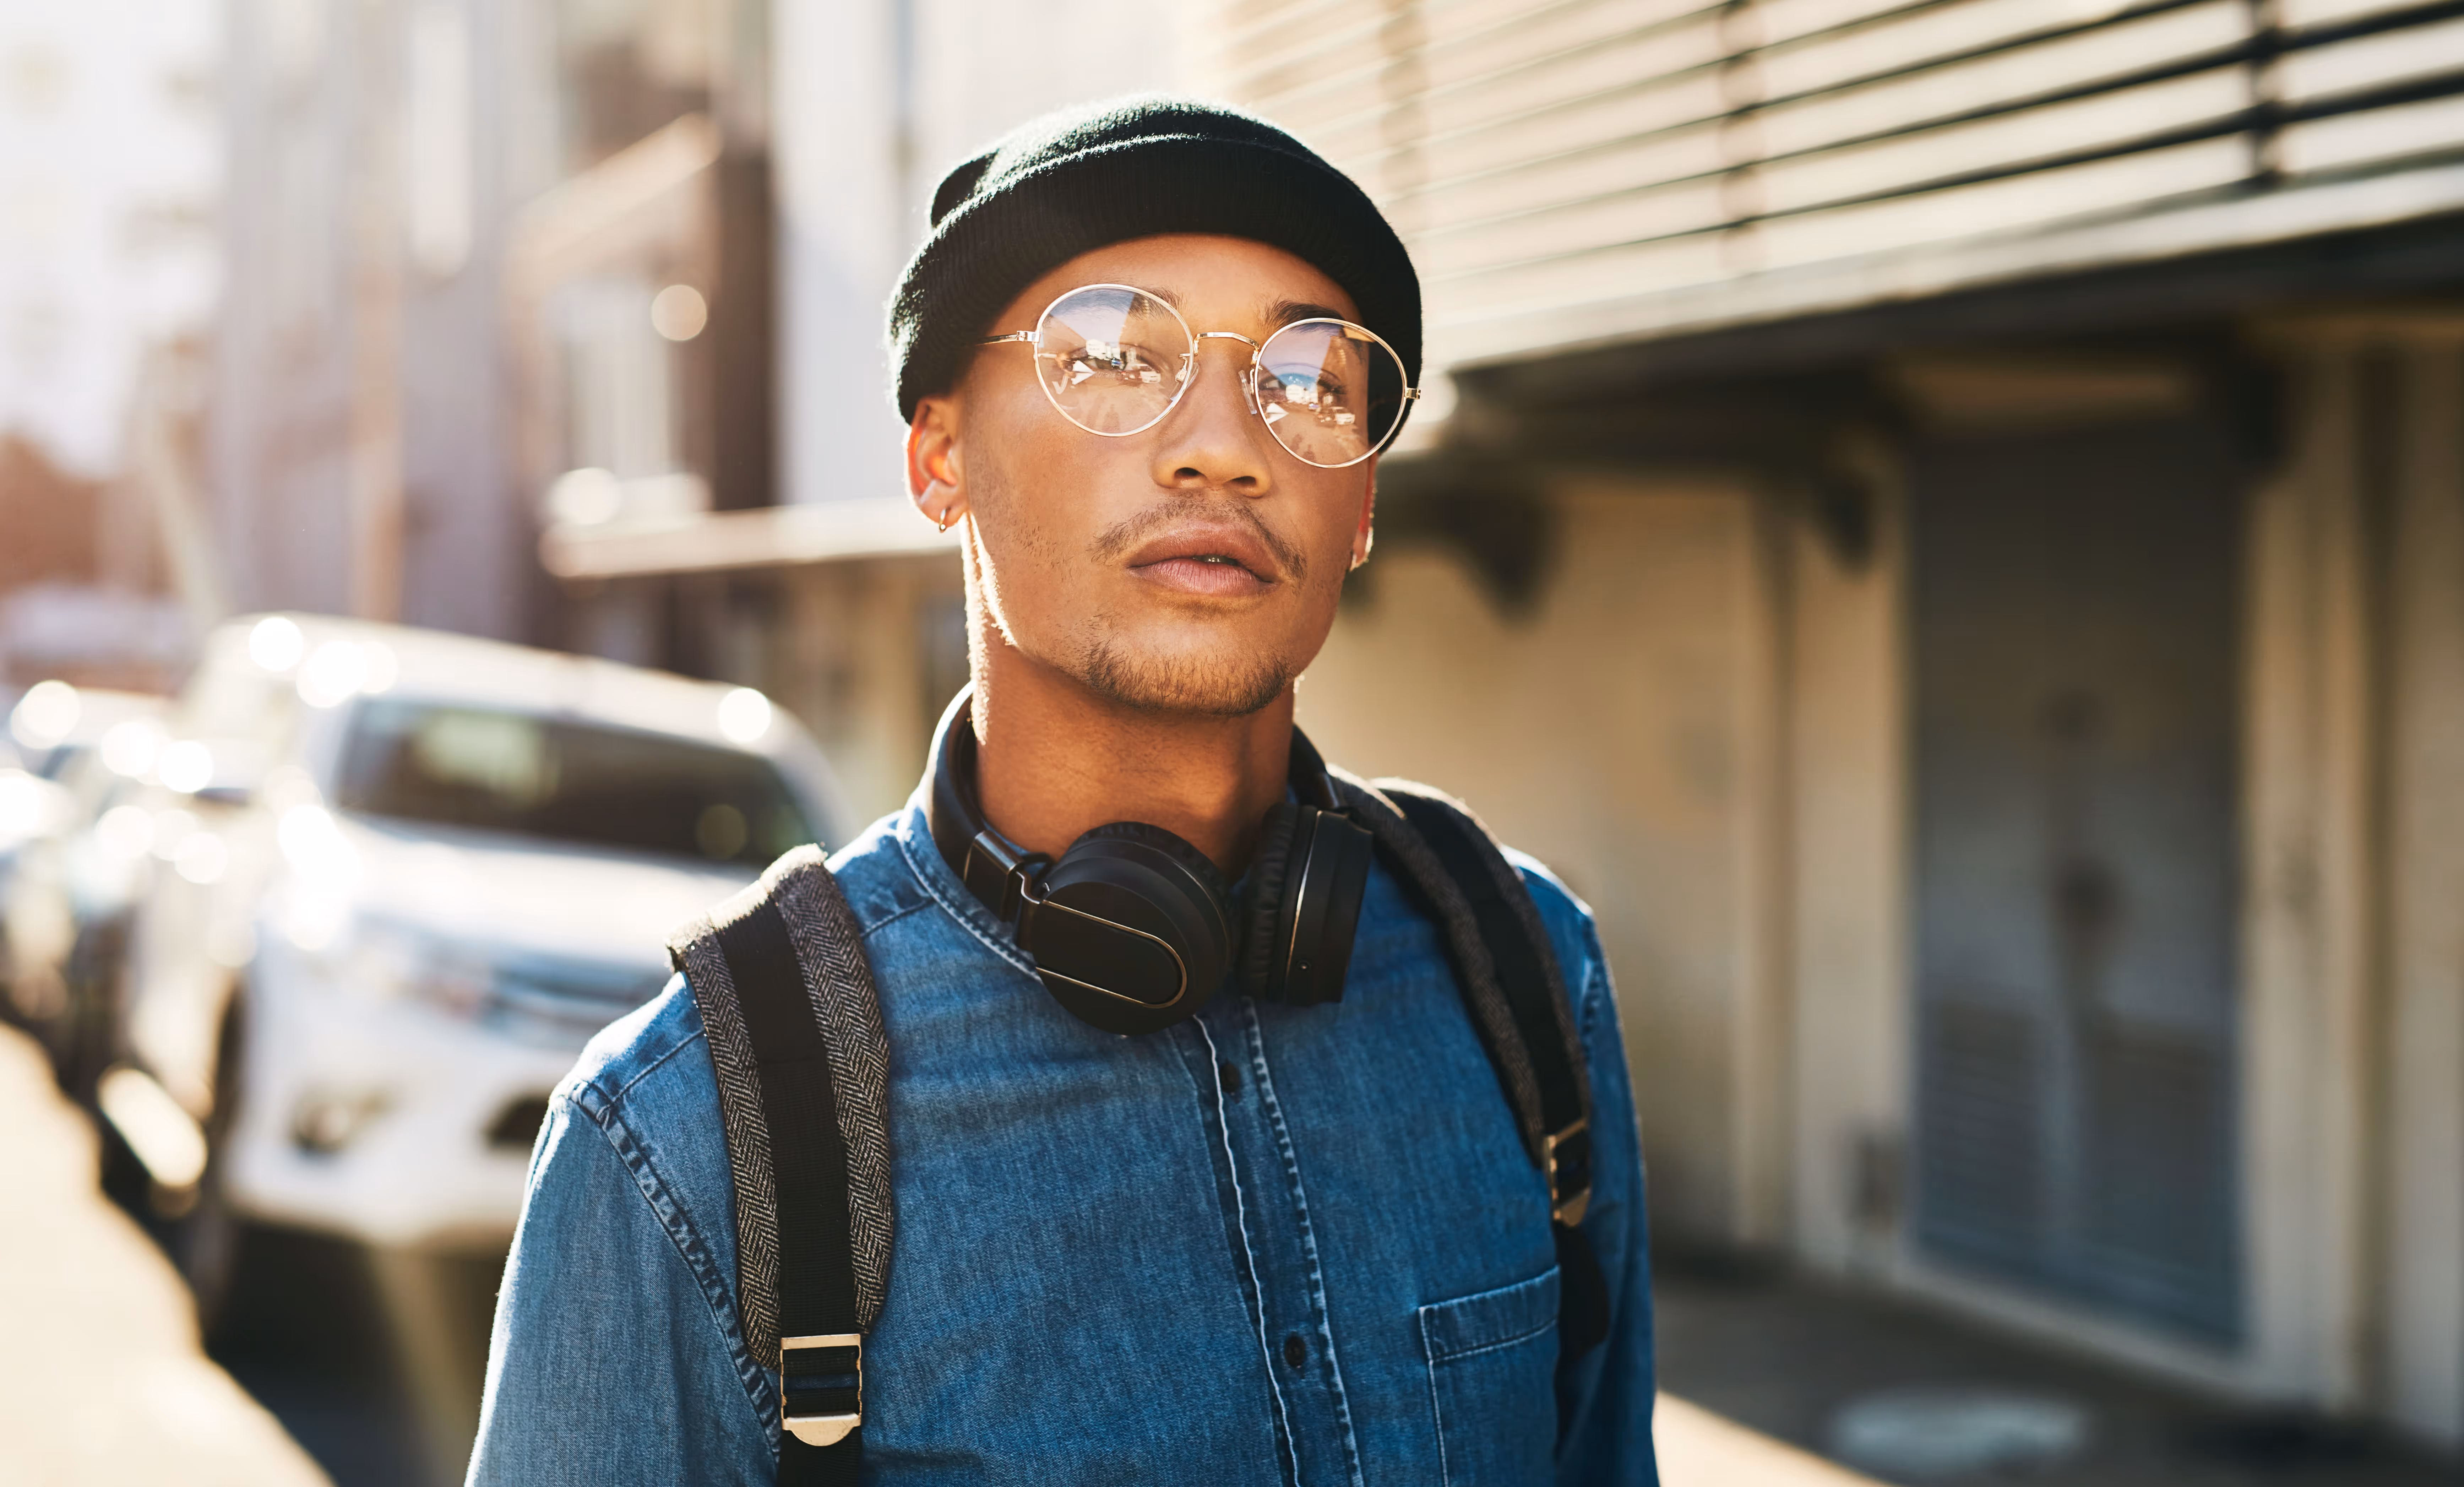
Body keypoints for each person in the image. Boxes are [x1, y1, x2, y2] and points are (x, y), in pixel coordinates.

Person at [467, 98, 1657, 1485]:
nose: (1225, 444)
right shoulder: (685, 1134)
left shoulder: (1524, 979)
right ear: (938, 458)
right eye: (1112, 355)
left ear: (1368, 501)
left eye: (1309, 378)